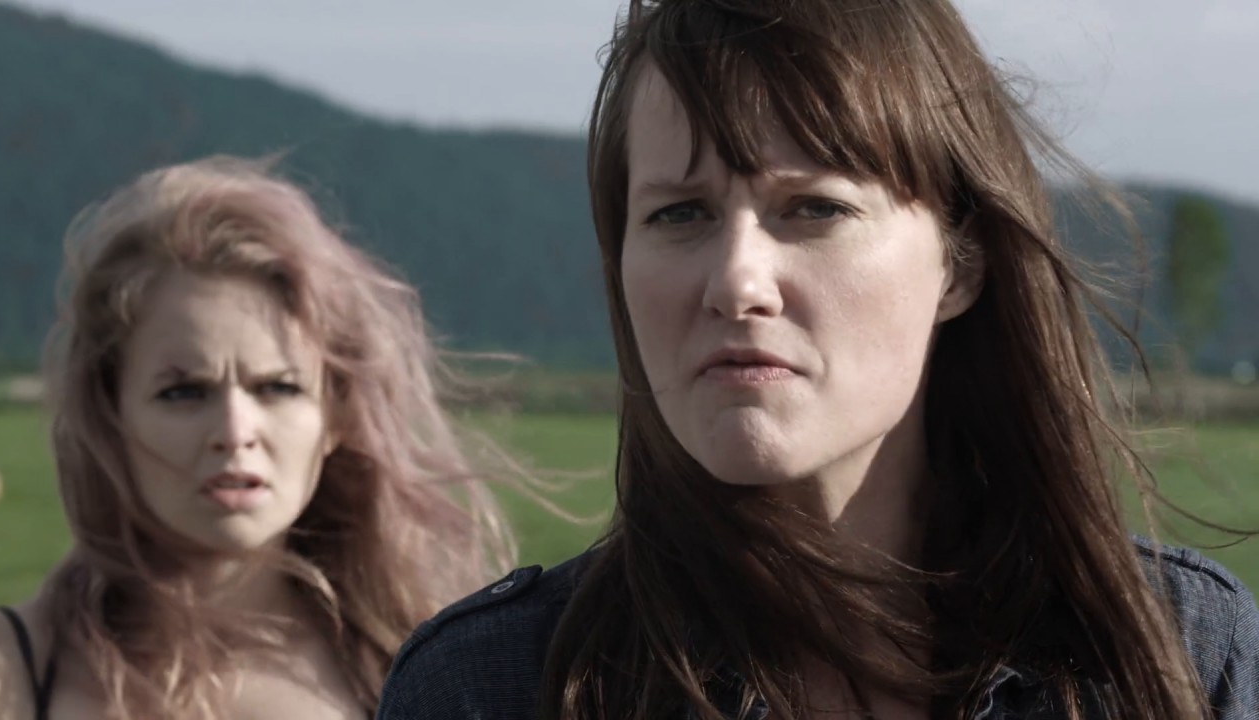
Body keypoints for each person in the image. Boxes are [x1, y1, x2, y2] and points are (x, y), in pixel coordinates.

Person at [375, 1, 1258, 719]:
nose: (737, 281)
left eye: (815, 209)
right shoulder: (492, 687)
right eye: (680, 214)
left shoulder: (1173, 656)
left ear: (960, 263)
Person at [0, 156, 516, 719]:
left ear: (336, 415)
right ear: (112, 413)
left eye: (278, 388)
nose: (235, 434)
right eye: (183, 392)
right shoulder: (4, 674)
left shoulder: (436, 672)